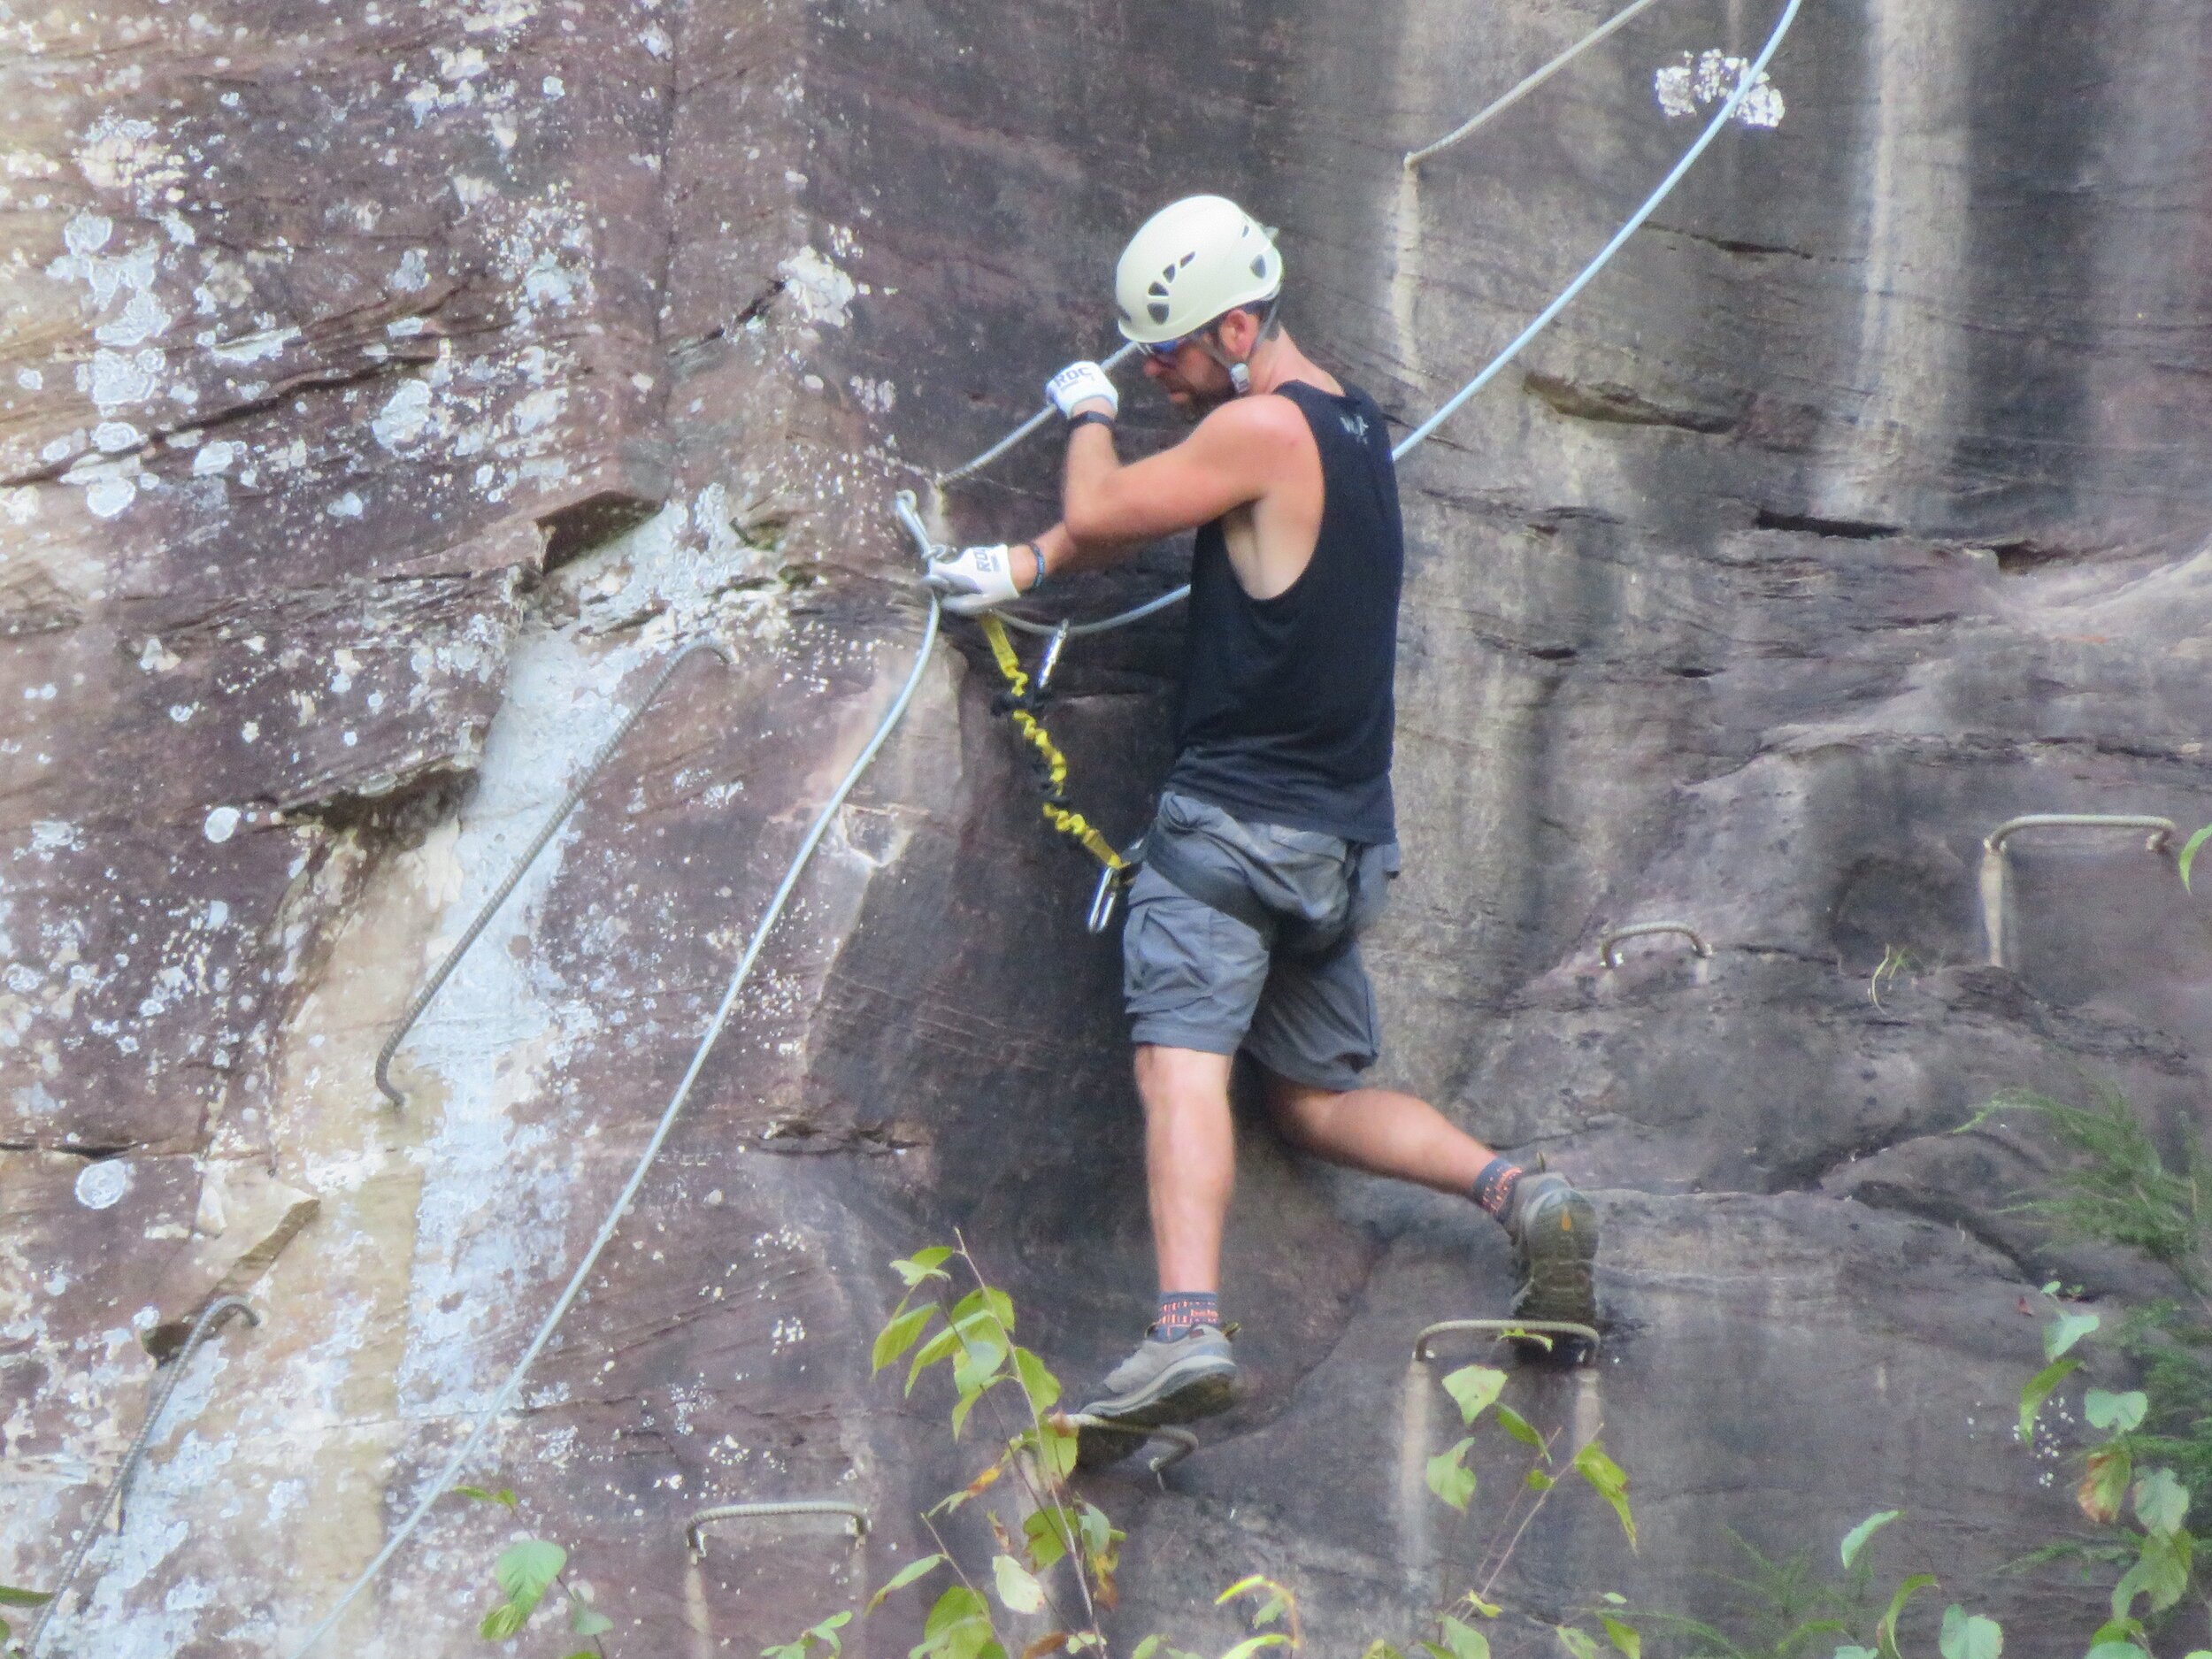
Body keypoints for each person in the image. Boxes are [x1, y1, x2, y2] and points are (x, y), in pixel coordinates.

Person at [925, 196, 1600, 1455]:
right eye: (1145, 365)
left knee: (1180, 1056)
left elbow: (1112, 509)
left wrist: (1084, 418)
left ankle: (1188, 1330)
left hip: (1235, 836)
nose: (1160, 378)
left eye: (1169, 352)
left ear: (1239, 326)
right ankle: (1524, 1192)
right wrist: (1035, 551)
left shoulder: (1263, 427)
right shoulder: (1352, 422)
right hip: (1340, 854)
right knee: (1308, 1102)